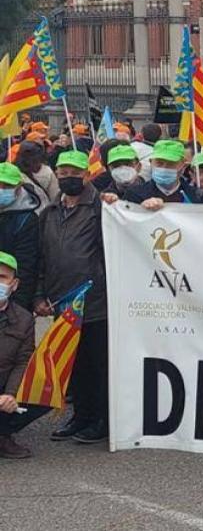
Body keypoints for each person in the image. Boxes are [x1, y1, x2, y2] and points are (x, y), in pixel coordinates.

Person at [31, 150, 107, 444]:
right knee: (72, 364)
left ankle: (101, 420)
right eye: (63, 172)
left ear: (87, 174)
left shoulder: (100, 207)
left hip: (96, 301)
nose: (68, 177)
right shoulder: (49, 213)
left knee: (96, 363)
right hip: (61, 303)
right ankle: (80, 417)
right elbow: (41, 257)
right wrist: (39, 294)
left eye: (75, 172)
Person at [0, 251, 47, 458]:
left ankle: (3, 435)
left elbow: (23, 361)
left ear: (14, 284)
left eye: (2, 278)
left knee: (47, 391)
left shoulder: (25, 319)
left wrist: (10, 395)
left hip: (3, 385)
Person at [117, 140, 203, 207]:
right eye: (159, 163)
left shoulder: (198, 197)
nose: (164, 168)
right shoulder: (134, 195)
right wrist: (140, 210)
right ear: (151, 162)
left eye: (171, 164)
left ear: (183, 166)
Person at [0, 163, 40, 312]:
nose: (1, 190)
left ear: (19, 187)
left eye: (7, 186)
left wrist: (19, 309)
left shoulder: (27, 220)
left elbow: (27, 266)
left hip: (12, 299)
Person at [13, 140, 58, 213]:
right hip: (42, 213)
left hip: (19, 215)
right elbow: (55, 196)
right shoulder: (47, 171)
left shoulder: (13, 172)